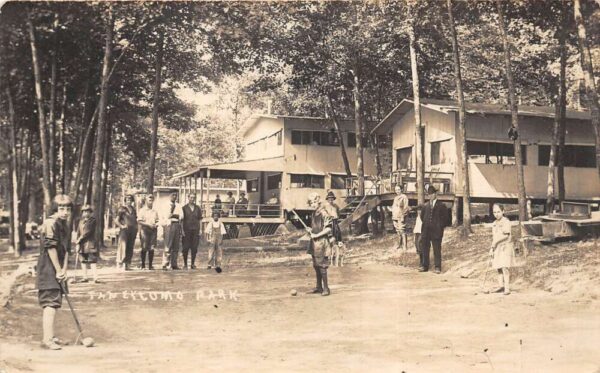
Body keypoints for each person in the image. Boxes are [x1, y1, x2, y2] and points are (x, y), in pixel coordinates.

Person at [36, 194, 73, 350]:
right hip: (48, 267)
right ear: (54, 209)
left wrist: (64, 269)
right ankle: (46, 339)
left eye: (68, 209)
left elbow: (66, 250)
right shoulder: (50, 223)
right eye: (61, 208)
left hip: (58, 267)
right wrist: (58, 270)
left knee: (55, 301)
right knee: (50, 302)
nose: (65, 212)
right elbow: (50, 248)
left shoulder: (63, 224)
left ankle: (51, 335)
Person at [306, 192, 333, 296]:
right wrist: (310, 229)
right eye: (310, 203)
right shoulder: (314, 213)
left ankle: (326, 288)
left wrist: (316, 236)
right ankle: (319, 287)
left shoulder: (324, 213)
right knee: (316, 265)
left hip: (322, 242)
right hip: (314, 243)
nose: (311, 205)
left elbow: (328, 229)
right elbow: (315, 227)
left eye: (312, 202)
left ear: (317, 201)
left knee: (322, 265)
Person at [419, 185, 449, 274]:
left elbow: (446, 219)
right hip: (426, 231)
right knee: (425, 249)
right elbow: (422, 217)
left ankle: (437, 267)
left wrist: (440, 226)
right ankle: (425, 266)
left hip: (436, 231)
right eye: (429, 194)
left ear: (436, 194)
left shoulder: (442, 205)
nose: (430, 196)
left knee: (437, 249)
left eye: (432, 194)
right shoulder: (425, 206)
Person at [489, 204, 516, 295]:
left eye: (498, 212)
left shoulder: (506, 221)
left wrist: (495, 242)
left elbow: (506, 235)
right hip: (497, 247)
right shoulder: (494, 223)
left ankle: (507, 288)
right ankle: (501, 285)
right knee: (499, 267)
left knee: (505, 266)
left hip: (505, 247)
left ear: (503, 211)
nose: (496, 214)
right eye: (494, 212)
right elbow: (494, 237)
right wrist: (492, 248)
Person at [76, 204, 101, 283]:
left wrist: (79, 240)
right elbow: (78, 232)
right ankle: (85, 277)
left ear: (90, 213)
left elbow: (87, 232)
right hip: (82, 245)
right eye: (84, 212)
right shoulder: (80, 222)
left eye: (88, 212)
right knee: (83, 261)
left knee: (92, 261)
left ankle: (95, 278)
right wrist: (77, 243)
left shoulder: (93, 221)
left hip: (90, 244)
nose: (86, 213)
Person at [162, 192, 183, 270]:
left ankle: (174, 264)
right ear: (169, 195)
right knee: (168, 245)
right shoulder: (165, 205)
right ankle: (165, 263)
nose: (174, 197)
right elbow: (165, 216)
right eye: (173, 195)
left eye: (175, 195)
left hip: (177, 224)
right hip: (169, 225)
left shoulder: (179, 205)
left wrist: (174, 215)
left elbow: (181, 215)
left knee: (176, 245)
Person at [138, 195, 159, 270]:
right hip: (145, 230)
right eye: (149, 200)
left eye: (152, 200)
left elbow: (157, 220)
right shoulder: (142, 210)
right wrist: (148, 224)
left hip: (153, 230)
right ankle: (143, 265)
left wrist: (156, 224)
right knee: (144, 247)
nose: (150, 201)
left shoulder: (155, 211)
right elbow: (139, 221)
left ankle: (150, 265)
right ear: (146, 201)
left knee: (152, 248)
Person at [182, 194, 202, 269]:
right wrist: (182, 230)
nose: (192, 199)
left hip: (195, 230)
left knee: (194, 247)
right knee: (185, 247)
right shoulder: (184, 208)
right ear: (188, 198)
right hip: (186, 230)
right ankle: (185, 264)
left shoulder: (197, 208)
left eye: (193, 198)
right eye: (191, 197)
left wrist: (200, 229)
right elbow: (182, 220)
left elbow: (200, 219)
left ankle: (193, 264)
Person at [119, 195, 138, 271]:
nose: (129, 201)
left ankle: (128, 264)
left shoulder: (133, 209)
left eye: (130, 200)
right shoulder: (122, 209)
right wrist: (121, 226)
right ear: (125, 201)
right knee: (123, 246)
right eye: (127, 200)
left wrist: (136, 228)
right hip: (124, 230)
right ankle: (122, 263)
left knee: (130, 246)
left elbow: (135, 219)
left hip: (132, 230)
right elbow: (116, 220)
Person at [391, 185, 410, 250]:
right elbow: (393, 207)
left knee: (402, 231)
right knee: (398, 231)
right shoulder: (395, 198)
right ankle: (399, 245)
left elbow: (405, 207)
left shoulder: (404, 197)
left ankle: (405, 246)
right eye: (396, 190)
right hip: (395, 216)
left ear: (401, 189)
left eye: (398, 189)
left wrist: (403, 216)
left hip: (401, 216)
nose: (397, 191)